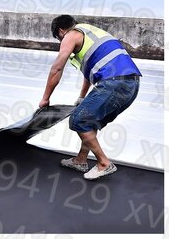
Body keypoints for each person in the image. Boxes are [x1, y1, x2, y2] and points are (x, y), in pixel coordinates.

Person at [39, 15, 142, 180]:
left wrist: (45, 98)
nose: (61, 42)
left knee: (78, 120)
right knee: (90, 120)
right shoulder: (90, 33)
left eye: (59, 39)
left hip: (114, 82)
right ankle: (80, 160)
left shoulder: (70, 35)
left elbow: (57, 68)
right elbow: (89, 73)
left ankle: (103, 163)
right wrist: (81, 97)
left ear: (60, 31)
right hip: (131, 85)